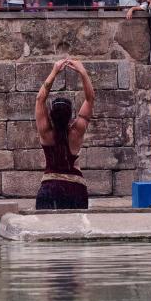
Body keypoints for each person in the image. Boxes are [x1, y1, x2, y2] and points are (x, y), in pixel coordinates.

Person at [34, 59, 94, 210]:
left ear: (52, 115)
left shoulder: (46, 133)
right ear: (70, 116)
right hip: (76, 189)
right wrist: (83, 72)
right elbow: (90, 99)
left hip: (50, 188)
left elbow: (40, 99)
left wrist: (54, 72)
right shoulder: (76, 132)